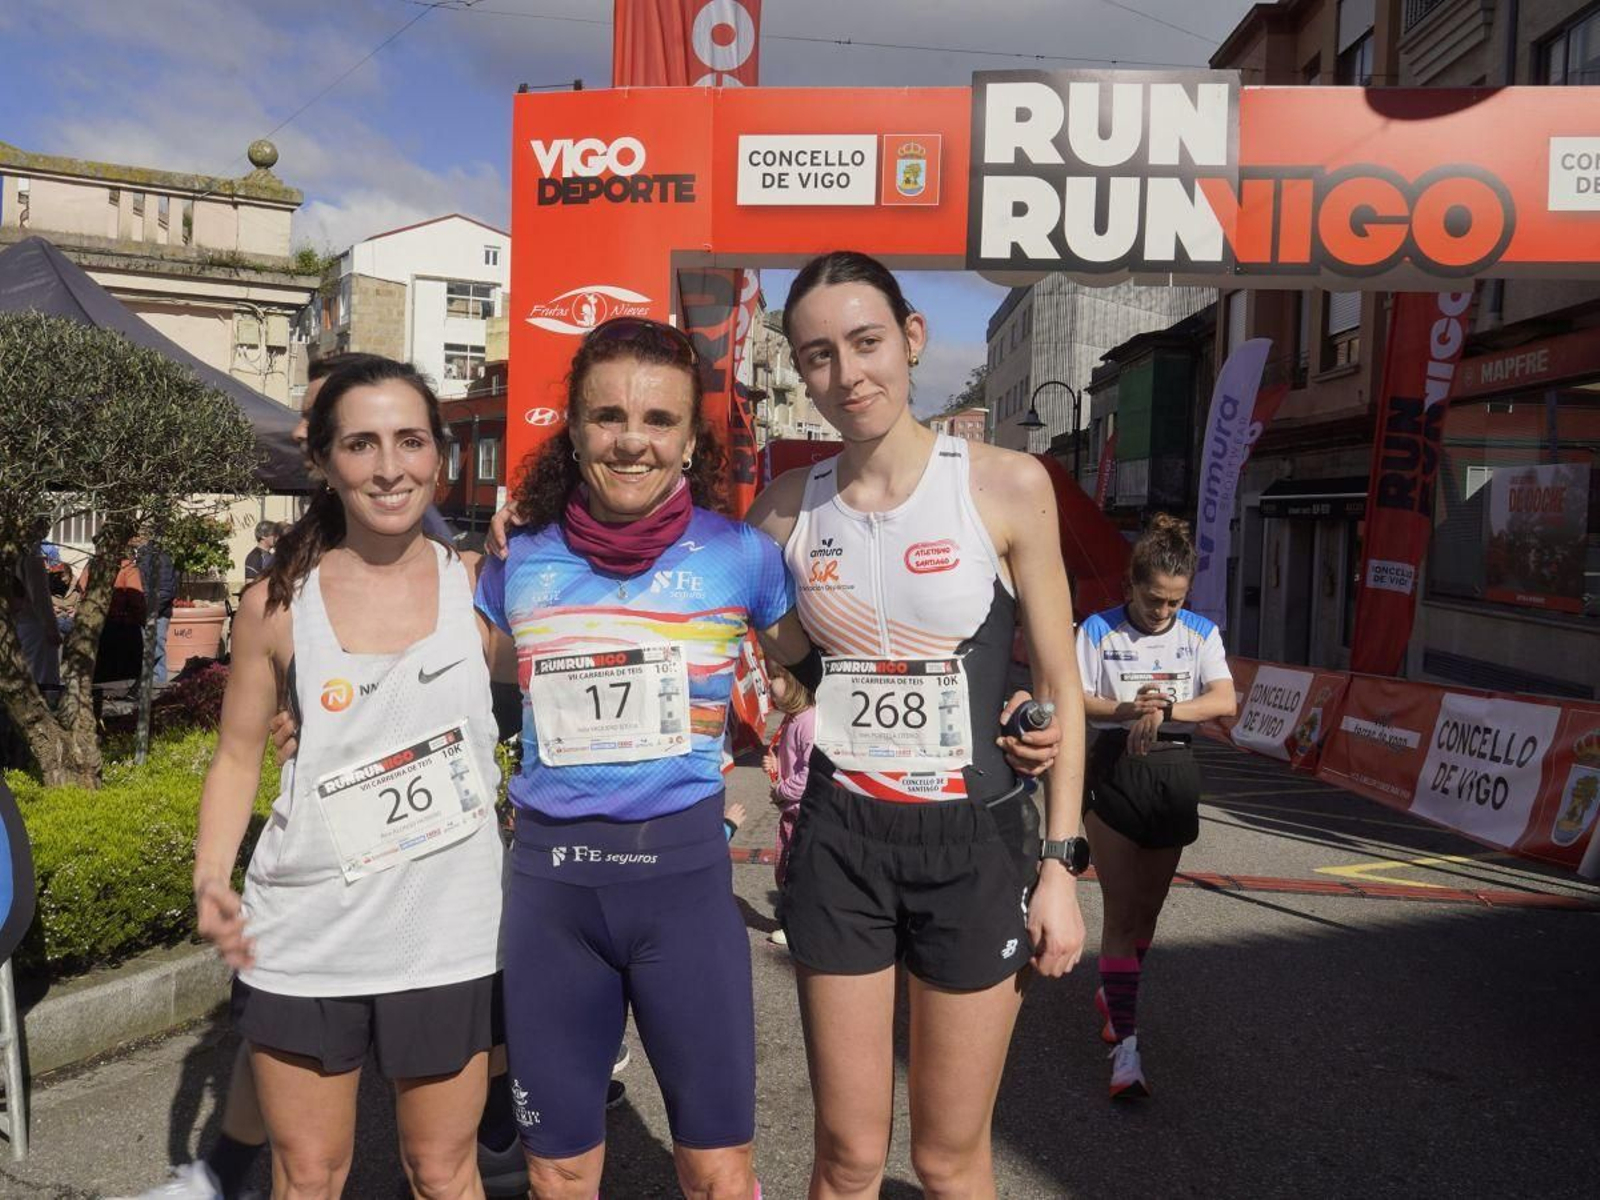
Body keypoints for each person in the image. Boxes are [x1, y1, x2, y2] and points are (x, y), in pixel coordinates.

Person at [743, 250, 1089, 1199]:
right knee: (848, 1159)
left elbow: (1060, 680)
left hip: (973, 844)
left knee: (948, 1159)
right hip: (841, 840)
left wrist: (1061, 866)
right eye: (817, 356)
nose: (847, 375)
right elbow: (765, 654)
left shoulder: (1007, 485)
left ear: (912, 339)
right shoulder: (783, 510)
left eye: (866, 343)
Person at [475, 315, 816, 1200]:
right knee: (557, 1172)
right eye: (608, 416)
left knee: (716, 1171)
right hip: (553, 892)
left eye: (659, 420)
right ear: (576, 427)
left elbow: (822, 665)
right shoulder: (518, 559)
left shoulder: (742, 557)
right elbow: (439, 677)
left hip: (683, 890)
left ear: (691, 438)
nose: (632, 440)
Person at [190, 356, 508, 1199]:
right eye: (361, 445)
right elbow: (237, 755)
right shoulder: (276, 603)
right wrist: (211, 875)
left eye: (409, 441)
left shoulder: (481, 589)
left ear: (440, 454)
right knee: (310, 1177)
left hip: (448, 934)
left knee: (444, 1173)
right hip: (306, 937)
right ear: (325, 463)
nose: (389, 467)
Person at [1074, 514, 1236, 1100]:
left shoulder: (1199, 632)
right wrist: (1126, 710)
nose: (1162, 612)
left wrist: (1164, 711)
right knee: (1120, 916)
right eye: (1153, 600)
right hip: (1116, 768)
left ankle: (1115, 990)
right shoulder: (1097, 629)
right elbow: (1073, 697)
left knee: (1147, 915)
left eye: (1173, 602)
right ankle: (1126, 1046)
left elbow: (1223, 699)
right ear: (1130, 586)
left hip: (1173, 771)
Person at [761, 666, 814, 948]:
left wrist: (782, 788)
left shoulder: (808, 722)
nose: (770, 682)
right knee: (785, 865)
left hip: (803, 811)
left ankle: (797, 927)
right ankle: (791, 921)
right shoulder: (793, 719)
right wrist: (776, 769)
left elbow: (809, 773)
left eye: (777, 676)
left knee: (797, 869)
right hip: (791, 808)